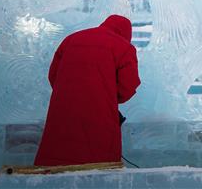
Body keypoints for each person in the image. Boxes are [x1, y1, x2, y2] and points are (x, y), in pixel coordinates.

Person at [34, 15, 140, 167]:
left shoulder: (71, 39)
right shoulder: (123, 47)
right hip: (99, 110)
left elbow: (53, 76)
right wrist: (106, 95)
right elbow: (128, 86)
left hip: (64, 107)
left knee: (58, 151)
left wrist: (68, 92)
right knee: (98, 159)